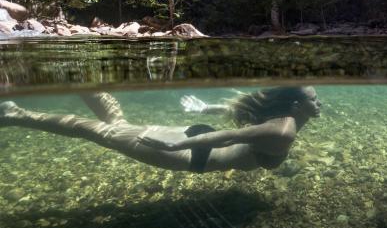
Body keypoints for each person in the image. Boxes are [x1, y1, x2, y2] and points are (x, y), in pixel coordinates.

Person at [0, 86, 321, 173]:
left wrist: (205, 109)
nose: (319, 103)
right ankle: (16, 112)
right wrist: (171, 148)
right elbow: (230, 136)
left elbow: (244, 114)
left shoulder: (284, 120)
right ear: (295, 105)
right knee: (94, 130)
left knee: (116, 126)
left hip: (197, 138)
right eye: (314, 98)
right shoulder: (283, 132)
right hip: (192, 152)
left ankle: (78, 80)